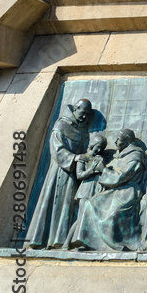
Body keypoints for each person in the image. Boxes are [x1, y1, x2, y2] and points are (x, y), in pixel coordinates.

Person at [28, 99, 93, 249]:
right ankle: (42, 240)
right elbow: (56, 149)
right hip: (59, 170)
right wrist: (74, 158)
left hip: (73, 175)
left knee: (67, 206)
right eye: (82, 113)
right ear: (75, 109)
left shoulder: (82, 130)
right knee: (52, 203)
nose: (84, 117)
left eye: (87, 115)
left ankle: (59, 240)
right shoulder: (61, 125)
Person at [68, 129, 147, 252]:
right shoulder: (121, 154)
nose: (115, 141)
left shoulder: (135, 157)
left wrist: (103, 170)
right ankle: (86, 241)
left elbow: (121, 176)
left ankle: (116, 243)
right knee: (90, 203)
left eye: (119, 139)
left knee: (114, 213)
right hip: (116, 190)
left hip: (128, 192)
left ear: (127, 142)